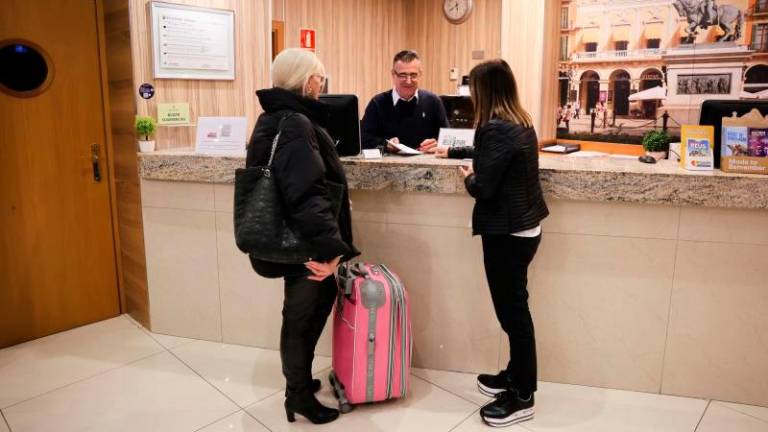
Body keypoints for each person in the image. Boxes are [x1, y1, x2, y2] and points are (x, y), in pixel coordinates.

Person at [430, 59, 548, 427]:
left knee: (513, 314)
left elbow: (484, 185)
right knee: (514, 310)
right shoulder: (520, 122)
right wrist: (455, 153)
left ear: (485, 91)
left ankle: (523, 395)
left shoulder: (495, 129)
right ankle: (514, 375)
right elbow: (493, 160)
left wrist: (467, 178)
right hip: (524, 230)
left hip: (507, 235)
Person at [245, 48, 360, 425]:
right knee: (302, 316)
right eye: (318, 76)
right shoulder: (295, 122)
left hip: (289, 236)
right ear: (307, 80)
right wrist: (330, 249)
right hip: (305, 242)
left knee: (301, 314)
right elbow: (308, 192)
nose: (321, 83)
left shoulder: (273, 117)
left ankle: (300, 384)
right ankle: (297, 395)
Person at [361, 50, 449, 153]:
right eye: (402, 75)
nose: (408, 81)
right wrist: (386, 145)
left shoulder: (433, 101)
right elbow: (364, 139)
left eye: (413, 75)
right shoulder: (378, 103)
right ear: (393, 74)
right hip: (389, 165)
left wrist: (437, 143)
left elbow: (447, 139)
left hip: (427, 164)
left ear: (420, 74)